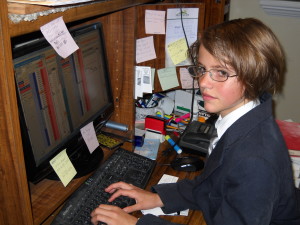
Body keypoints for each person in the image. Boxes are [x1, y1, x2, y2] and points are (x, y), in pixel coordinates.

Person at [91, 18, 300, 225]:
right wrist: (159, 198)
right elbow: (213, 184)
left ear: (254, 75)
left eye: (221, 72)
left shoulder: (254, 160)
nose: (203, 82)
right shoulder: (240, 118)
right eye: (201, 69)